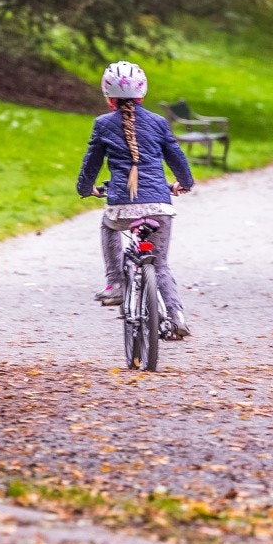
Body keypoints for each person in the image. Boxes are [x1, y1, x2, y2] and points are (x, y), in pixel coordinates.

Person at [75, 61, 195, 337]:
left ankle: (115, 282)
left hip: (121, 206)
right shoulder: (158, 122)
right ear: (142, 93)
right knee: (160, 264)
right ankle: (176, 317)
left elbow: (91, 163)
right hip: (159, 206)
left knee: (108, 226)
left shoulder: (103, 124)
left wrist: (85, 189)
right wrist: (184, 184)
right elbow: (177, 157)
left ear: (108, 96)